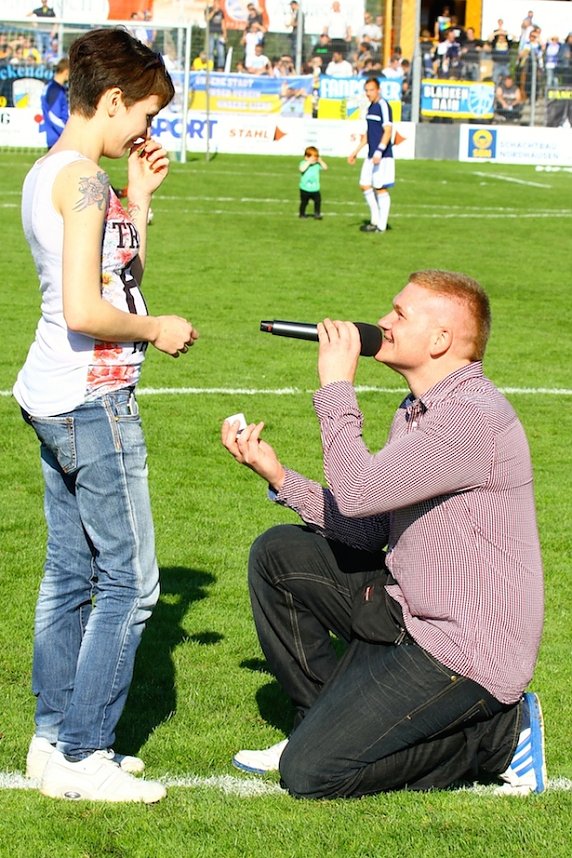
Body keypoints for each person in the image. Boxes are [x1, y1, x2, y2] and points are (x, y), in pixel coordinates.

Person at [221, 269, 545, 799]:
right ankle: (321, 718)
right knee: (280, 555)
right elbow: (369, 530)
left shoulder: (471, 418)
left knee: (312, 774)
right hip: (409, 608)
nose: (381, 323)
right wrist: (279, 478)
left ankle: (498, 738)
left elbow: (357, 493)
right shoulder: (417, 410)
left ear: (440, 340)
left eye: (399, 314)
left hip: (463, 646)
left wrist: (336, 387)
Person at [14, 27, 198, 803]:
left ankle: (53, 741)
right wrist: (159, 329)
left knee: (71, 574)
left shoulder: (66, 174)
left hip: (59, 392)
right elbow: (94, 308)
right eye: (145, 115)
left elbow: (118, 277)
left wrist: (143, 200)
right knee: (132, 584)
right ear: (113, 99)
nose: (147, 133)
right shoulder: (85, 182)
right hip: (94, 398)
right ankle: (86, 753)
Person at [348, 77, 394, 234]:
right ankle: (375, 219)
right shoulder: (370, 108)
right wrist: (356, 151)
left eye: (371, 90)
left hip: (382, 155)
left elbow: (388, 130)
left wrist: (380, 150)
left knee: (380, 188)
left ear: (378, 90)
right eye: (366, 90)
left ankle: (381, 226)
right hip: (370, 154)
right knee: (364, 184)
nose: (368, 93)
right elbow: (369, 134)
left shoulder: (383, 106)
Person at [40, 57, 69, 149]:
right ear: (66, 71)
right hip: (58, 138)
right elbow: (53, 115)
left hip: (55, 136)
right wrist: (67, 132)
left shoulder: (50, 87)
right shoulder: (55, 90)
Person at [298, 146, 328, 219]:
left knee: (318, 201)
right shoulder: (303, 163)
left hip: (315, 188)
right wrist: (308, 162)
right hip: (304, 188)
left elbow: (325, 168)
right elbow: (301, 169)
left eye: (316, 157)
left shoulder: (317, 165)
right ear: (306, 157)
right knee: (304, 202)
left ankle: (317, 213)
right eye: (312, 157)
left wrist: (320, 161)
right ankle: (302, 214)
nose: (314, 159)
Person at [206, 0, 227, 70]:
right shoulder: (208, 10)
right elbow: (207, 19)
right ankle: (210, 66)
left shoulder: (221, 12)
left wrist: (225, 34)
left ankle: (220, 67)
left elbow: (223, 23)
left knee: (221, 51)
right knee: (210, 51)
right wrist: (214, 12)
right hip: (211, 33)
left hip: (219, 34)